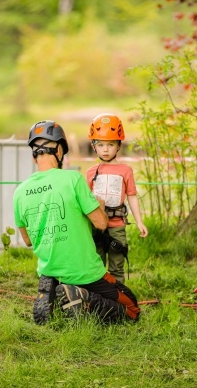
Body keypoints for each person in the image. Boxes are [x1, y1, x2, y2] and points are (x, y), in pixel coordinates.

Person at [13, 120, 140, 325]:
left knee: (53, 271)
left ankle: (53, 286)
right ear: (60, 150)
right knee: (132, 309)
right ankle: (82, 297)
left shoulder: (19, 192)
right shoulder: (72, 179)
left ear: (33, 154)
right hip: (84, 271)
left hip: (49, 267)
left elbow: (27, 240)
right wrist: (98, 205)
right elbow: (100, 224)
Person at [86, 113, 148, 284]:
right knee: (96, 265)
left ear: (119, 145)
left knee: (116, 266)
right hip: (96, 226)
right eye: (101, 145)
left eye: (110, 144)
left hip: (117, 226)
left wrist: (139, 222)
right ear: (94, 146)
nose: (105, 149)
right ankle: (97, 298)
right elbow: (85, 203)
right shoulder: (91, 172)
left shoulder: (125, 170)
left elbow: (132, 196)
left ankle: (119, 302)